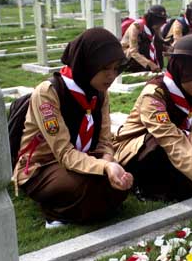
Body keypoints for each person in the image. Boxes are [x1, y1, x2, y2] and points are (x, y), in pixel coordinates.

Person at [13, 28, 133, 228]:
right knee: (83, 185)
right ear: (86, 64)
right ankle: (55, 213)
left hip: (84, 158)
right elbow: (64, 153)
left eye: (116, 68)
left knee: (121, 179)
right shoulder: (49, 92)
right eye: (105, 68)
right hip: (43, 166)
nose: (112, 75)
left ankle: (91, 205)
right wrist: (104, 167)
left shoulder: (100, 92)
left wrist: (108, 162)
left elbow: (104, 141)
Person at [113, 34, 192, 213]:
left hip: (174, 145)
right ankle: (143, 185)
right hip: (138, 150)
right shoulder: (154, 94)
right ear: (179, 69)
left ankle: (171, 183)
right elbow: (170, 139)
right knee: (158, 145)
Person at [121, 5, 168, 73]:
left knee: (158, 44)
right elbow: (133, 52)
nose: (160, 25)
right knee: (143, 45)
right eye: (158, 21)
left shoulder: (155, 27)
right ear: (151, 19)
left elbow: (160, 41)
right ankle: (143, 70)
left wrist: (167, 48)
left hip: (146, 54)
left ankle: (158, 68)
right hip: (130, 56)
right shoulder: (136, 27)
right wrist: (150, 63)